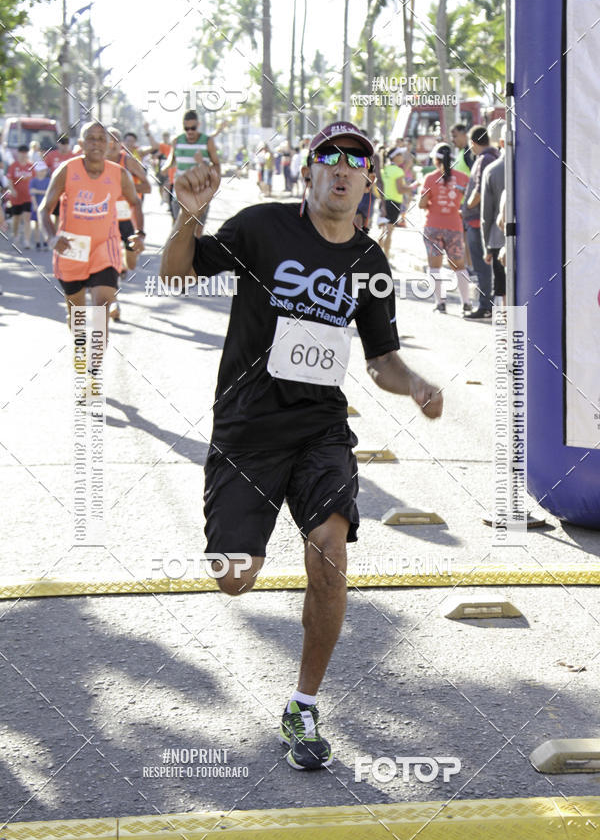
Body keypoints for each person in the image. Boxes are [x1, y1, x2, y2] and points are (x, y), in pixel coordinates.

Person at [159, 120, 443, 771]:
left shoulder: (369, 264)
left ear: (369, 182)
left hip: (320, 427)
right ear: (309, 171)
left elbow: (381, 360)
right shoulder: (262, 227)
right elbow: (175, 275)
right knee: (234, 577)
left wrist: (416, 385)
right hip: (247, 427)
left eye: (356, 161)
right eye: (329, 157)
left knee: (330, 549)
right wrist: (189, 216)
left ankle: (303, 705)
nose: (342, 167)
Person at [39, 121, 144, 378]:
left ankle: (93, 369)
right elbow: (44, 209)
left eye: (101, 138)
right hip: (71, 249)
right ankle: (80, 345)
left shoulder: (119, 174)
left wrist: (139, 233)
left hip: (104, 248)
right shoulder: (67, 170)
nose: (96, 143)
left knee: (101, 309)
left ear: (108, 144)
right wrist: (52, 238)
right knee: (76, 315)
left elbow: (135, 203)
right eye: (91, 138)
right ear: (81, 144)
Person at [418, 143, 472, 313]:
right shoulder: (463, 178)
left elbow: (422, 204)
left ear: (436, 159)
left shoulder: (430, 178)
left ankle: (440, 303)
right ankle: (466, 303)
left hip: (433, 226)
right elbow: (468, 200)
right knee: (459, 265)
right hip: (454, 225)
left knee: (435, 266)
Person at [106, 128, 152, 320]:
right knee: (108, 262)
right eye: (109, 140)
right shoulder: (97, 162)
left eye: (116, 140)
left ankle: (124, 263)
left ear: (121, 144)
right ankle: (114, 302)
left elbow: (147, 187)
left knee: (131, 264)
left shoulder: (128, 161)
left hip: (127, 218)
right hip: (105, 218)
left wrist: (125, 189)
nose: (113, 144)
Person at [461, 125, 500, 319]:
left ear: (473, 142)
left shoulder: (484, 159)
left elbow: (479, 190)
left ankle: (485, 305)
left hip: (478, 221)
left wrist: (467, 206)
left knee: (482, 267)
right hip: (481, 219)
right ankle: (487, 304)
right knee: (485, 267)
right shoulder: (492, 157)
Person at [161, 110, 220, 229]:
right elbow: (172, 159)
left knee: (197, 232)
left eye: (193, 128)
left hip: (200, 194)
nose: (190, 131)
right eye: (186, 128)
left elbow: (217, 166)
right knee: (178, 230)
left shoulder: (207, 141)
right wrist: (165, 167)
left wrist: (202, 162)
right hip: (180, 193)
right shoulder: (177, 140)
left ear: (198, 125)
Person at [481, 123, 507, 306]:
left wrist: (487, 247)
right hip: (529, 243)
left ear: (501, 142)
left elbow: (486, 214)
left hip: (498, 240)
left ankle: (505, 324)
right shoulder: (534, 169)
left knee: (501, 291)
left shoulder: (491, 170)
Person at [379, 147, 411, 261]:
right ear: (394, 157)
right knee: (389, 232)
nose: (402, 157)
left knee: (383, 231)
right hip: (394, 202)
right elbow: (400, 190)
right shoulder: (398, 171)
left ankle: (378, 256)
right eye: (400, 155)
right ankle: (385, 258)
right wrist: (413, 187)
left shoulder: (385, 169)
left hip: (384, 202)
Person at [6, 145, 34, 248]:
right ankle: (16, 235)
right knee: (16, 218)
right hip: (16, 197)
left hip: (28, 197)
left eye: (25, 153)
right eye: (21, 153)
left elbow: (34, 180)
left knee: (27, 218)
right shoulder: (13, 166)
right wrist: (12, 189)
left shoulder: (31, 166)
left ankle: (27, 240)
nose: (23, 155)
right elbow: (9, 179)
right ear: (18, 153)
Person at [29, 160, 50, 248]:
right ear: (37, 171)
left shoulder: (48, 180)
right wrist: (35, 205)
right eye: (41, 170)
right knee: (36, 224)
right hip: (36, 205)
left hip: (45, 206)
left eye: (44, 170)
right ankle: (37, 242)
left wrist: (37, 191)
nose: (43, 172)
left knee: (45, 225)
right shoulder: (33, 181)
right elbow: (32, 193)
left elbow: (48, 193)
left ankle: (45, 241)